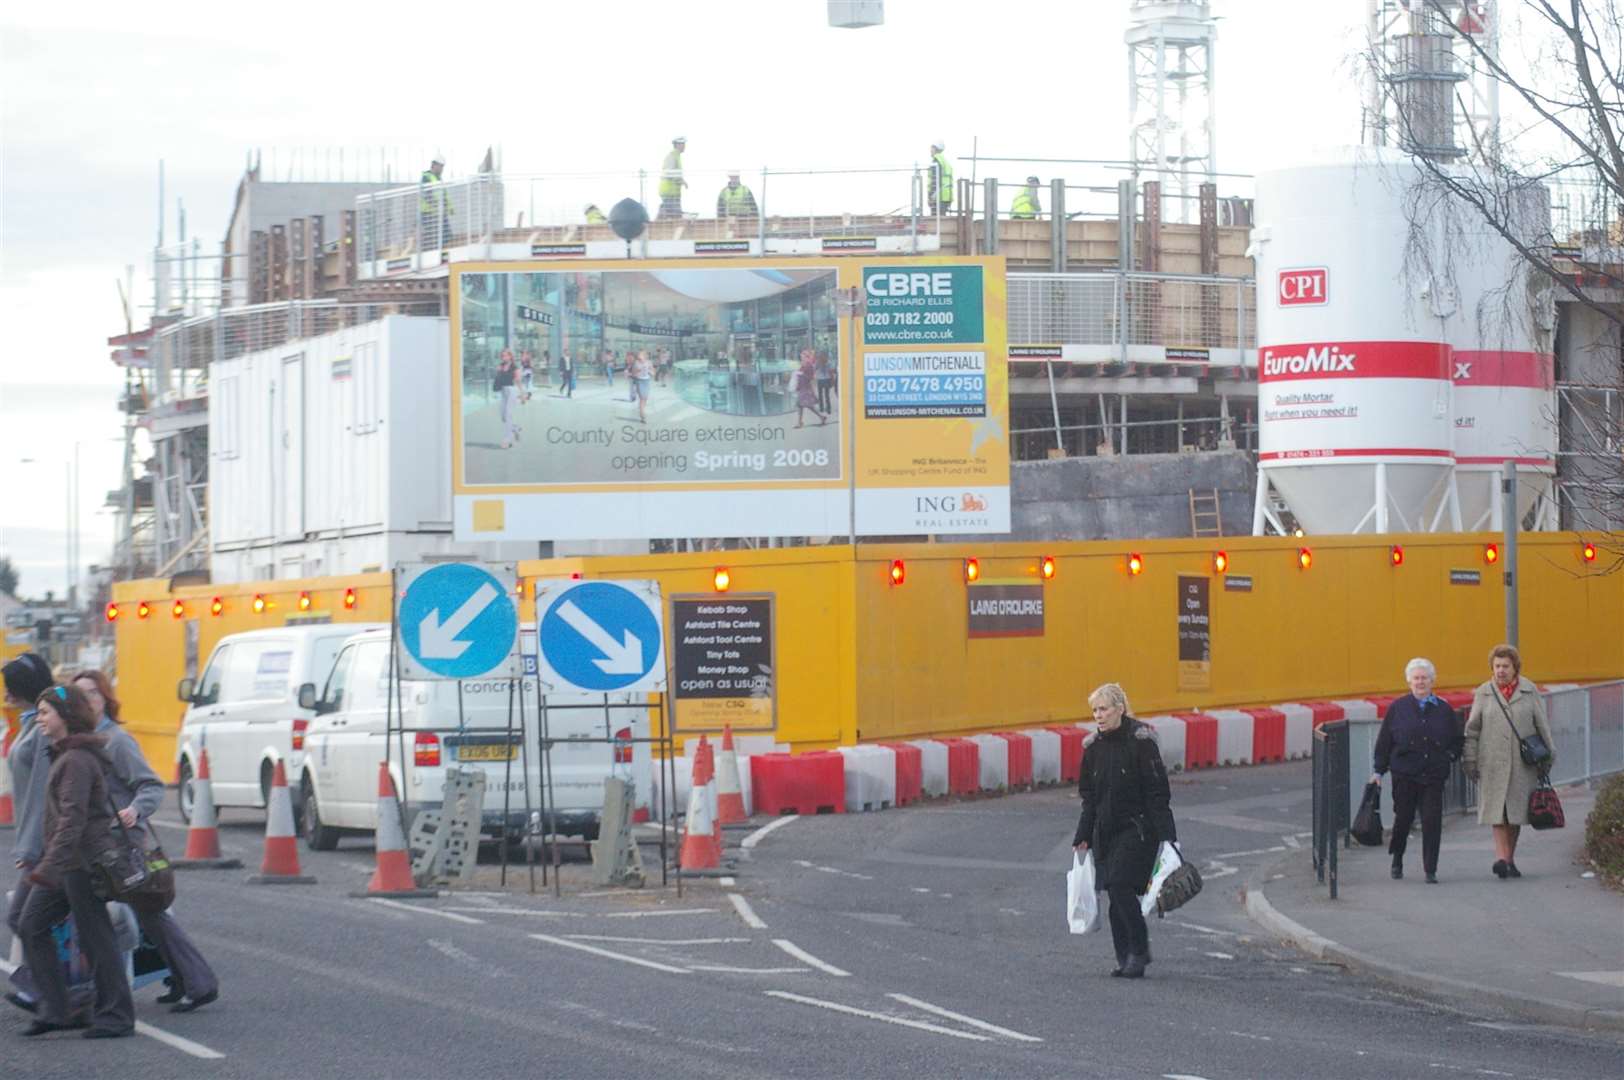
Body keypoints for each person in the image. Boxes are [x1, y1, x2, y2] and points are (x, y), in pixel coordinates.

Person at [74, 670, 219, 1013]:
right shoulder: (84, 741)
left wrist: (134, 811)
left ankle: (199, 982)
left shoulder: (116, 741)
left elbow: (150, 785)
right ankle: (185, 980)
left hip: (123, 845)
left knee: (150, 912)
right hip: (100, 846)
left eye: (93, 693)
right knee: (147, 915)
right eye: (79, 695)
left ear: (105, 698)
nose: (87, 701)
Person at [16, 683, 134, 1038]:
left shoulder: (77, 760)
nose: (39, 718)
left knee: (96, 936)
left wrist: (48, 866)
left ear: (65, 717)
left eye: (45, 712)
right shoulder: (65, 754)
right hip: (67, 863)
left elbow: (73, 819)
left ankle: (116, 1016)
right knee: (30, 924)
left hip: (81, 863)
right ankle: (57, 1009)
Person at [1072, 682, 1176, 979]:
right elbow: (1089, 797)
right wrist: (1082, 835)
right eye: (1094, 710)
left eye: (1103, 709)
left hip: (1138, 829)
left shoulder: (1141, 743)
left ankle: (1139, 950)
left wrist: (1169, 837)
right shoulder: (1093, 749)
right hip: (1105, 832)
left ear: (1120, 708)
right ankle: (1125, 957)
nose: (1098, 715)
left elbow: (1158, 793)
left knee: (1119, 885)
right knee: (1115, 897)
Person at [1464, 644, 1556, 880]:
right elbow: (1472, 729)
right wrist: (1470, 760)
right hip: (1491, 763)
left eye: (1505, 666)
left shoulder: (1529, 691)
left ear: (1515, 668)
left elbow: (1542, 726)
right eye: (1497, 666)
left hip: (1521, 765)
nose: (1500, 671)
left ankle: (1509, 860)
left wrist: (1548, 757)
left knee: (1514, 815)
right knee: (1498, 814)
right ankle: (1502, 859)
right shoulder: (1484, 693)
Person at [1369, 658, 1462, 884]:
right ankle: (1397, 858)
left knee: (1432, 821)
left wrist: (1449, 757)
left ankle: (1430, 869)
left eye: (1425, 678)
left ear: (1432, 681)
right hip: (1405, 774)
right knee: (1403, 819)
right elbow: (1384, 742)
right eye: (1416, 678)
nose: (1420, 682)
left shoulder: (1443, 709)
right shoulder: (1398, 708)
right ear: (1409, 682)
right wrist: (1378, 771)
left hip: (1432, 775)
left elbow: (1457, 740)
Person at [4, 653, 54, 1015]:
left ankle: (49, 993)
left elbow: (39, 791)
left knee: (26, 918)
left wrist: (29, 845)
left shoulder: (40, 731)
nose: (5, 694)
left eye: (10, 687)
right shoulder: (29, 723)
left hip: (43, 845)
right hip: (39, 841)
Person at [419, 156, 451, 251]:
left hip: (439, 212)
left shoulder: (439, 179)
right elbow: (426, 194)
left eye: (443, 167)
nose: (442, 169)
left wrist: (448, 207)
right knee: (430, 237)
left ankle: (440, 252)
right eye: (440, 166)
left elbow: (444, 195)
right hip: (429, 213)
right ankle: (429, 255)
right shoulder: (426, 177)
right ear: (433, 165)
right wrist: (435, 205)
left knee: (446, 235)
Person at [793, 349, 825, 428]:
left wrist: (802, 374)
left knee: (803, 405)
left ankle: (800, 422)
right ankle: (821, 417)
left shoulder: (809, 365)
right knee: (802, 405)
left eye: (803, 355)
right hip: (802, 387)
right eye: (801, 355)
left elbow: (811, 377)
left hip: (806, 387)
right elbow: (799, 375)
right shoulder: (803, 364)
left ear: (806, 356)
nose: (801, 356)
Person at [493, 353, 518, 449]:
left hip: (511, 391)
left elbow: (518, 380)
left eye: (505, 356)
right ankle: (514, 428)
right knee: (503, 416)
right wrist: (498, 371)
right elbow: (498, 379)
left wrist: (523, 393)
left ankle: (508, 440)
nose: (503, 357)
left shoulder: (514, 367)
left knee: (508, 414)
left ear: (510, 356)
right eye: (502, 356)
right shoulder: (501, 366)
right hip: (503, 391)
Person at [659, 136, 687, 219]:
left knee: (671, 213)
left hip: (673, 192)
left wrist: (682, 180)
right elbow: (669, 173)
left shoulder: (677, 156)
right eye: (683, 144)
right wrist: (681, 181)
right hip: (669, 191)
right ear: (677, 145)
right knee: (676, 216)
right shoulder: (672, 156)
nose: (684, 146)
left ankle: (662, 214)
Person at [929, 139, 953, 215]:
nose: (930, 150)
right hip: (946, 195)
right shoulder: (944, 161)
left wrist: (932, 196)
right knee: (941, 218)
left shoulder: (937, 160)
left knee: (936, 219)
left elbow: (935, 179)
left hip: (939, 195)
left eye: (932, 148)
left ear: (936, 149)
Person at [629, 350, 654, 422]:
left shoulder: (649, 362)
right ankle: (642, 414)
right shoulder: (636, 363)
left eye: (640, 355)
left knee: (645, 398)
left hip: (647, 381)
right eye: (638, 355)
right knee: (642, 398)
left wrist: (650, 372)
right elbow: (633, 374)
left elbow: (653, 372)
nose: (639, 356)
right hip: (639, 381)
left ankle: (641, 409)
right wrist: (638, 371)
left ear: (644, 356)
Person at [815, 350, 836, 415]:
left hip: (820, 380)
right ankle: (828, 409)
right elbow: (831, 372)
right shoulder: (828, 362)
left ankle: (821, 408)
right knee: (827, 395)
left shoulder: (818, 362)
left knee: (820, 395)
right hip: (827, 379)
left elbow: (815, 369)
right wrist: (832, 381)